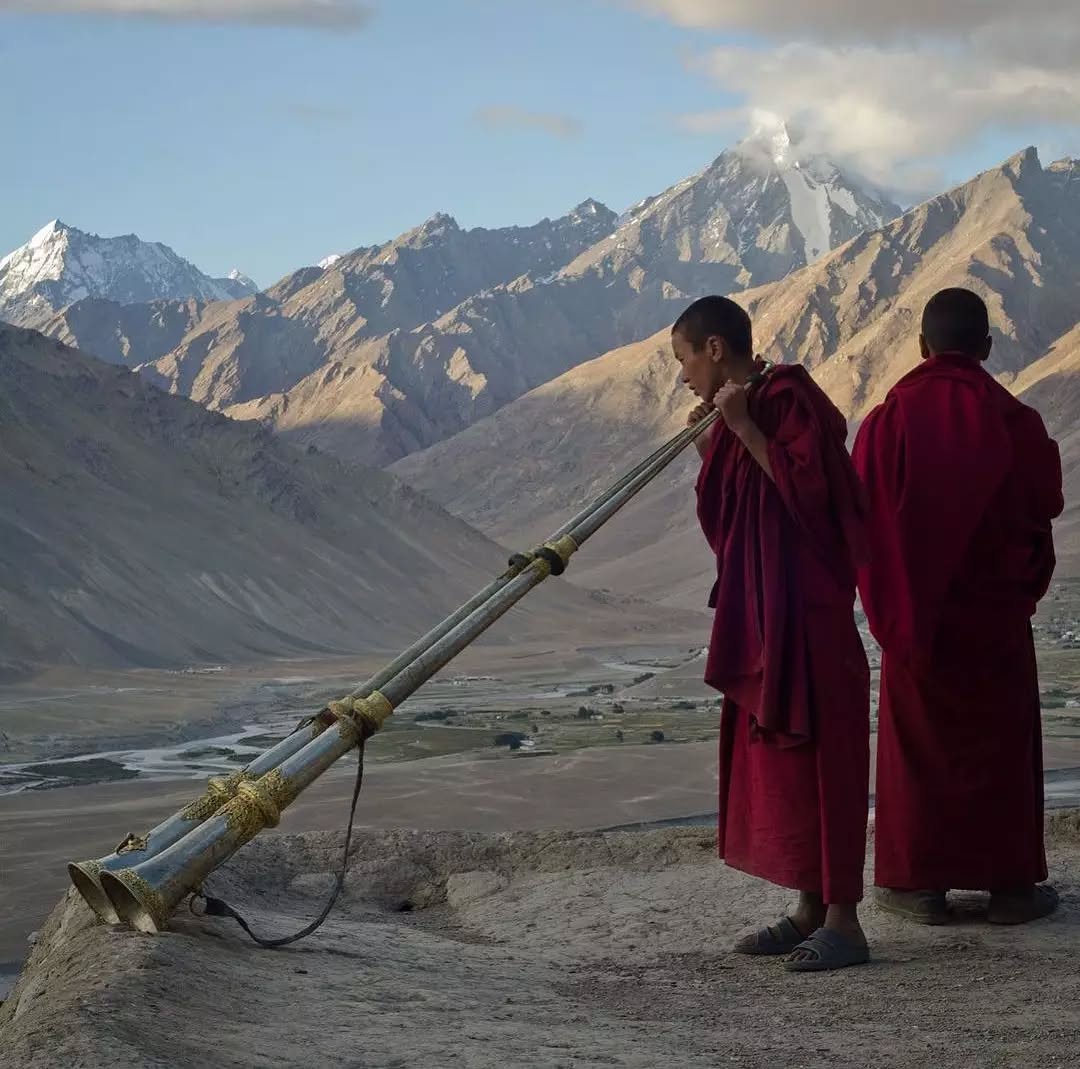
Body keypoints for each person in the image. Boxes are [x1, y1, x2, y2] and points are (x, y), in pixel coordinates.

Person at [852, 287, 1064, 925]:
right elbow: (1042, 510)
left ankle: (919, 885)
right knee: (1000, 746)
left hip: (917, 622)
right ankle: (1011, 890)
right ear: (987, 349)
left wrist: (893, 602)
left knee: (920, 751)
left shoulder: (890, 420)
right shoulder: (1017, 422)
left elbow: (864, 521)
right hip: (996, 622)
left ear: (921, 347)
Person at [674, 295, 872, 971]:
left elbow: (817, 503)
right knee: (786, 767)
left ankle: (845, 920)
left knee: (826, 765)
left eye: (684, 359)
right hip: (765, 621)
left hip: (812, 622)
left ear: (716, 350)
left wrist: (747, 431)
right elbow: (734, 528)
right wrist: (715, 444)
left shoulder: (788, 399)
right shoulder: (742, 411)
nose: (682, 376)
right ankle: (810, 908)